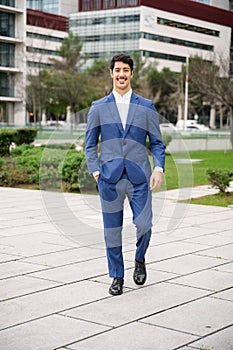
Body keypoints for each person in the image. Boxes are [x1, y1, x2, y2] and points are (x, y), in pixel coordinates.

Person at [85, 53, 165, 296]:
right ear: (111, 73)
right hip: (109, 178)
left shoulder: (146, 106)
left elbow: (157, 143)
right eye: (117, 70)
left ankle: (139, 259)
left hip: (139, 176)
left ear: (131, 74)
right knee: (112, 230)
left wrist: (159, 168)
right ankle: (117, 276)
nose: (121, 75)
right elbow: (89, 145)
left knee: (144, 224)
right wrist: (96, 172)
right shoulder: (98, 108)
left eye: (125, 71)